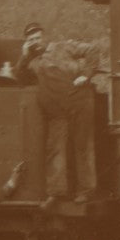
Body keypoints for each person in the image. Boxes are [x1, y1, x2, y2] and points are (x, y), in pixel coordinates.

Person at [15, 22, 102, 204]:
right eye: (30, 40)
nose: (35, 42)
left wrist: (86, 75)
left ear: (44, 37)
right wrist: (24, 56)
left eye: (37, 37)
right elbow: (19, 77)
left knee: (83, 147)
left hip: (80, 102)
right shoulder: (32, 61)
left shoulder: (62, 47)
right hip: (56, 111)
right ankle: (56, 192)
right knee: (55, 149)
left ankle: (85, 191)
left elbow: (92, 50)